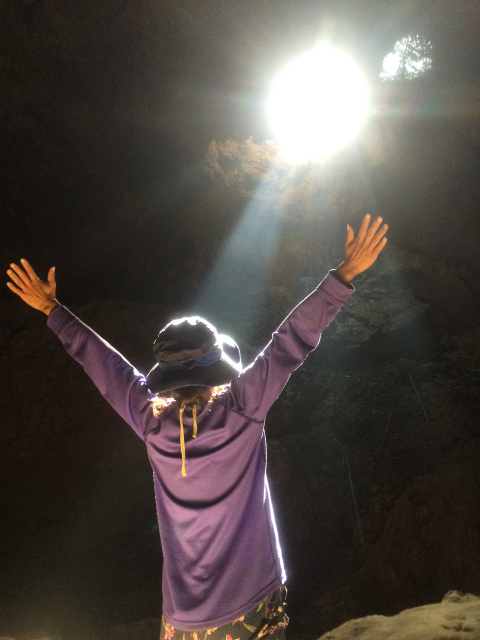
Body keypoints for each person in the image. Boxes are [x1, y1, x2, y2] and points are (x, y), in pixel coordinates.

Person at [6, 214, 388, 640]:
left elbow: (103, 364)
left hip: (184, 619)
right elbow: (290, 340)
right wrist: (344, 274)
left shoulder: (151, 420)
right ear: (218, 371)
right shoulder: (242, 406)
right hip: (252, 604)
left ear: (165, 376)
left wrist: (52, 309)